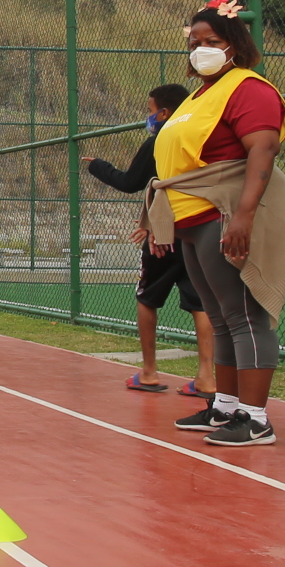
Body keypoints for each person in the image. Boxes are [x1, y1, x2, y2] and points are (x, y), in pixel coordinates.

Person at [142, 0, 285, 448]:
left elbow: (262, 150)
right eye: (194, 42)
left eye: (210, 41)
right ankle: (227, 406)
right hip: (192, 215)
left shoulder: (249, 88)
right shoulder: (200, 94)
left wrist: (245, 216)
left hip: (224, 210)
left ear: (234, 44)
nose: (200, 49)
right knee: (219, 316)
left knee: (245, 316)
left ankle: (255, 420)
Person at [85, 83, 219, 395]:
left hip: (166, 232)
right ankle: (206, 376)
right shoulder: (201, 137)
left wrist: (97, 166)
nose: (148, 117)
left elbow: (132, 182)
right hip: (198, 228)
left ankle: (149, 371)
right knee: (200, 302)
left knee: (147, 296)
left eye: (150, 111)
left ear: (165, 112)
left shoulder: (161, 140)